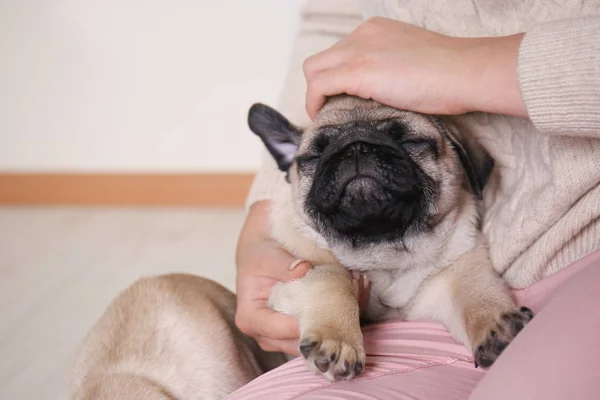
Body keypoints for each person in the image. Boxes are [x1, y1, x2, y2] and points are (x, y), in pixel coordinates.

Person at [232, 1, 600, 399]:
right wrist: (258, 235)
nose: (359, 157)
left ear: (464, 161)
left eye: (406, 140)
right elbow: (332, 19)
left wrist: (462, 66)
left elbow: (457, 280)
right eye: (320, 154)